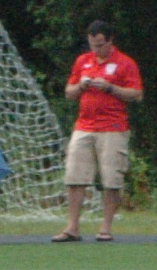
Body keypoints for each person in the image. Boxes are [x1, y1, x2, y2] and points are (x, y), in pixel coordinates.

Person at [54, 20, 140, 242]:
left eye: (100, 45)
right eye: (93, 45)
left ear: (110, 41)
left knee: (111, 178)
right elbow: (69, 92)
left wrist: (110, 88)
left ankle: (105, 228)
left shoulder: (125, 63)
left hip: (113, 128)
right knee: (74, 175)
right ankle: (72, 227)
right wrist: (82, 86)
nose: (96, 49)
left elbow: (136, 94)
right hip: (84, 126)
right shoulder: (83, 61)